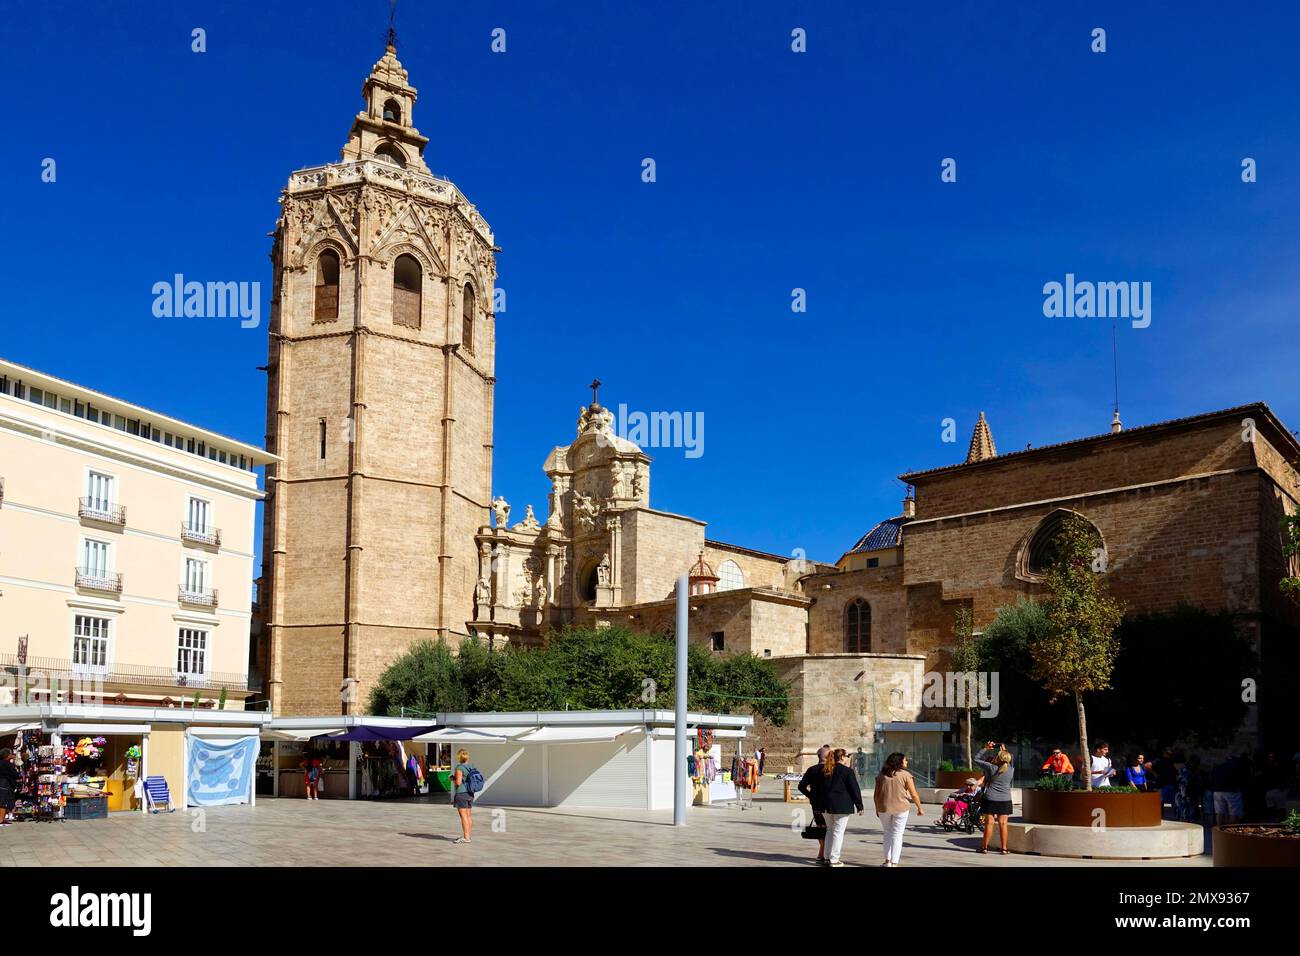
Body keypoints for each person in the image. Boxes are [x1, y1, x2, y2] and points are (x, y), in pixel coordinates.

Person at [814, 748, 864, 867]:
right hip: (841, 805)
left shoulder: (824, 770)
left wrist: (817, 805)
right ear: (842, 757)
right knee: (838, 832)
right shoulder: (847, 771)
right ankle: (834, 859)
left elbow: (817, 789)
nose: (848, 758)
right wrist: (859, 806)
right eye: (847, 756)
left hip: (825, 805)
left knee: (830, 830)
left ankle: (826, 857)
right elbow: (854, 789)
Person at [874, 752, 924, 867]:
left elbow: (876, 794)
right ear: (899, 762)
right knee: (897, 834)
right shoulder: (906, 775)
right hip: (901, 808)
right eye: (905, 760)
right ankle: (895, 863)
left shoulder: (881, 775)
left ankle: (887, 861)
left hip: (883, 808)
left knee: (887, 833)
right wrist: (919, 808)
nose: (907, 762)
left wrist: (877, 808)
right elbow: (914, 794)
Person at [974, 742, 1015, 855]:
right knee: (1003, 824)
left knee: (989, 823)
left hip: (990, 798)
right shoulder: (1011, 769)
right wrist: (1004, 750)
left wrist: (986, 748)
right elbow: (1008, 760)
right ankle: (1004, 849)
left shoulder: (991, 767)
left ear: (998, 757)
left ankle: (984, 848)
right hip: (1005, 799)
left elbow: (976, 759)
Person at [797, 745, 832, 865]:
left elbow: (801, 786)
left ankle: (822, 853)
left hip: (816, 804)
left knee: (821, 827)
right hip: (829, 804)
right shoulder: (831, 769)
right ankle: (822, 854)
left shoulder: (812, 769)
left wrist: (811, 796)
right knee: (829, 829)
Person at [452, 748, 478, 844]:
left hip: (462, 793)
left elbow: (458, 782)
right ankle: (468, 835)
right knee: (468, 816)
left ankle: (466, 838)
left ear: (459, 757)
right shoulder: (472, 766)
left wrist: (452, 779)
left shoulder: (459, 768)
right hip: (470, 793)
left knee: (463, 817)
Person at [1210, 754, 1245, 825]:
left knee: (1219, 812)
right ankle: (1230, 831)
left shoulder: (1218, 767)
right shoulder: (1236, 766)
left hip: (1217, 791)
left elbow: (1211, 778)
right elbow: (1241, 779)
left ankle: (1219, 829)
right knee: (1233, 812)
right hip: (1231, 791)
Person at [0, 749, 19, 826]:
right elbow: (15, 775)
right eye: (11, 754)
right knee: (3, 802)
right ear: (7, 756)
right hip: (5, 784)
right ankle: (1, 819)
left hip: (2, 783)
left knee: (3, 802)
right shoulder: (7, 764)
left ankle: (2, 819)